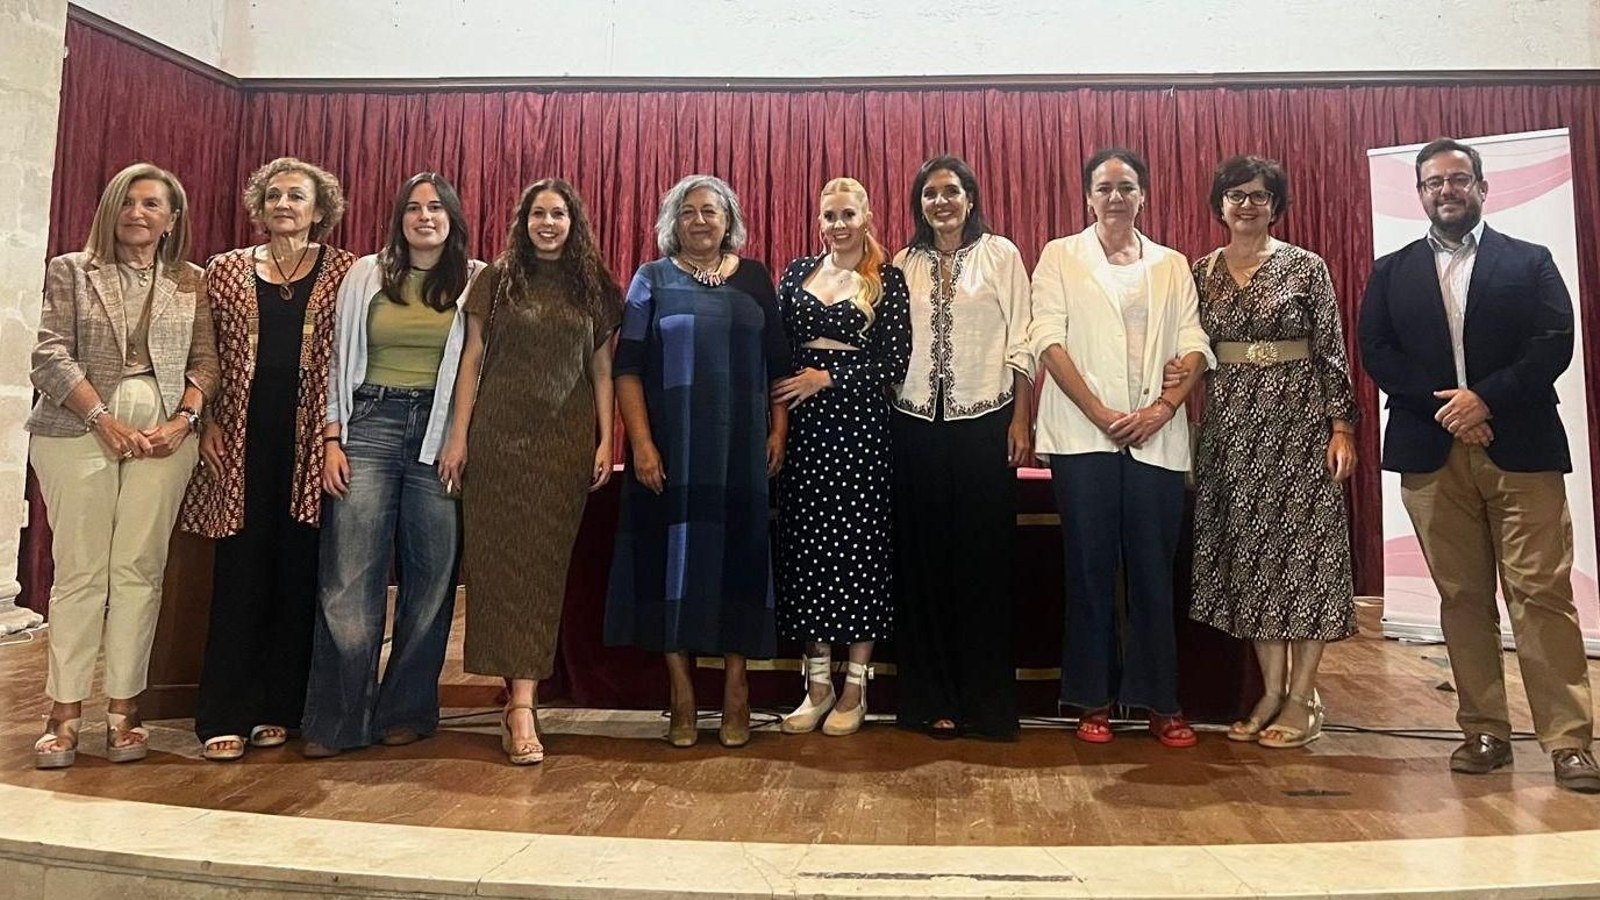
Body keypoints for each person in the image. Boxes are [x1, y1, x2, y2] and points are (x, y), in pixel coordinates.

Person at [1358, 137, 1600, 793]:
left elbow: (1554, 342)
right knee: (1462, 598)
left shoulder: (1530, 261)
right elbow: (1377, 351)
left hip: (1519, 447)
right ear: (1420, 195)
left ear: (1482, 187)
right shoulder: (1391, 270)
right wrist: (1451, 410)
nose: (1446, 190)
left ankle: (1569, 741)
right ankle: (1484, 730)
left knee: (1541, 594)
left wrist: (1485, 399)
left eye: (1458, 179)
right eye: (1433, 182)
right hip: (1433, 456)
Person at [27, 163, 218, 768]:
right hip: (79, 423)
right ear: (113, 208)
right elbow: (49, 352)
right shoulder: (73, 270)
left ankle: (124, 707)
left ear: (172, 219)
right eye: (129, 202)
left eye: (153, 204)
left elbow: (207, 362)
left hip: (165, 430)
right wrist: (101, 418)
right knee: (81, 570)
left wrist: (184, 421)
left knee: (139, 567)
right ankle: (64, 709)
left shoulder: (192, 280)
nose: (139, 213)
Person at [1172, 155, 1359, 749]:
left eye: (1258, 195)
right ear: (1219, 205)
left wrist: (1342, 428)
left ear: (1276, 205)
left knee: (1306, 558)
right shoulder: (1200, 273)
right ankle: (1271, 690)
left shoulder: (1306, 267)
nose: (1247, 205)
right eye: (1235, 195)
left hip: (1300, 427)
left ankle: (1304, 696)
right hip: (1232, 432)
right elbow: (1189, 347)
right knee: (1252, 558)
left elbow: (1330, 350)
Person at [1029, 147, 1213, 748]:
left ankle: (1161, 701)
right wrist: (1103, 414)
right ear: (1088, 196)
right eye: (1104, 187)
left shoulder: (1171, 264)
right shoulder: (1060, 255)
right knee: (1089, 569)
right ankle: (1092, 698)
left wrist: (1161, 409)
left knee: (1154, 574)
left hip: (1156, 439)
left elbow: (1194, 342)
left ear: (1143, 196)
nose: (1115, 197)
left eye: (1126, 186)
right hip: (1085, 438)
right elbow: (1048, 342)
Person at [299, 173, 483, 757]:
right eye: (413, 207)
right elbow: (335, 358)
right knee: (349, 580)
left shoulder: (477, 280)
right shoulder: (364, 274)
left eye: (435, 207)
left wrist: (460, 440)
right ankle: (338, 721)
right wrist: (332, 438)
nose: (424, 216)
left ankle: (407, 709)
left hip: (440, 435)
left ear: (452, 218)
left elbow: (479, 371)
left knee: (431, 580)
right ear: (399, 217)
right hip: (369, 425)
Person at [604, 174, 789, 749]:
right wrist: (641, 444)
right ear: (673, 223)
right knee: (670, 566)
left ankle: (737, 688)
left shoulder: (756, 278)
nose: (701, 221)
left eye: (711, 211)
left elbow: (778, 362)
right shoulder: (650, 279)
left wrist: (778, 430)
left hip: (741, 451)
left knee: (739, 562)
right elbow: (626, 366)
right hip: (672, 452)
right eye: (689, 213)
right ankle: (681, 691)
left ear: (728, 219)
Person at [439, 178, 621, 765]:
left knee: (543, 573)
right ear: (523, 221)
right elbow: (470, 360)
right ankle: (517, 703)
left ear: (574, 223)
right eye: (538, 214)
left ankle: (525, 699)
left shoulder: (594, 285)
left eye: (559, 214)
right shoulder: (493, 279)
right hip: (496, 443)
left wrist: (604, 439)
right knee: (498, 569)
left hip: (564, 446)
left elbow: (601, 369)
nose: (548, 223)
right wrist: (459, 438)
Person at [181, 157, 355, 762]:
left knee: (298, 569)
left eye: (297, 196)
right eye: (275, 195)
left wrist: (338, 435)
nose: (285, 204)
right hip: (239, 436)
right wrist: (205, 420)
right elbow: (200, 351)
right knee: (240, 569)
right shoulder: (223, 270)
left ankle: (281, 705)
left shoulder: (345, 271)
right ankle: (223, 711)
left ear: (319, 208)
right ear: (259, 205)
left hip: (313, 437)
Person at [891, 156, 1033, 740]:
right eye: (930, 194)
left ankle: (987, 704)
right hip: (914, 424)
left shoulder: (1001, 256)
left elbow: (1024, 340)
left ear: (971, 198)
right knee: (922, 566)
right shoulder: (901, 263)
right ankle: (932, 700)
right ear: (919, 205)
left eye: (952, 191)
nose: (941, 202)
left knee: (983, 563)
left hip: (986, 420)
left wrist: (1022, 420)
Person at [773, 177, 911, 737]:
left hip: (860, 430)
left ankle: (856, 684)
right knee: (808, 550)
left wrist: (826, 376)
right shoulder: (795, 273)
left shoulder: (887, 280)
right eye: (829, 215)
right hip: (804, 431)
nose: (837, 225)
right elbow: (777, 350)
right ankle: (817, 685)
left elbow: (894, 363)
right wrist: (784, 412)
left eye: (847, 214)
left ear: (867, 217)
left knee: (859, 550)